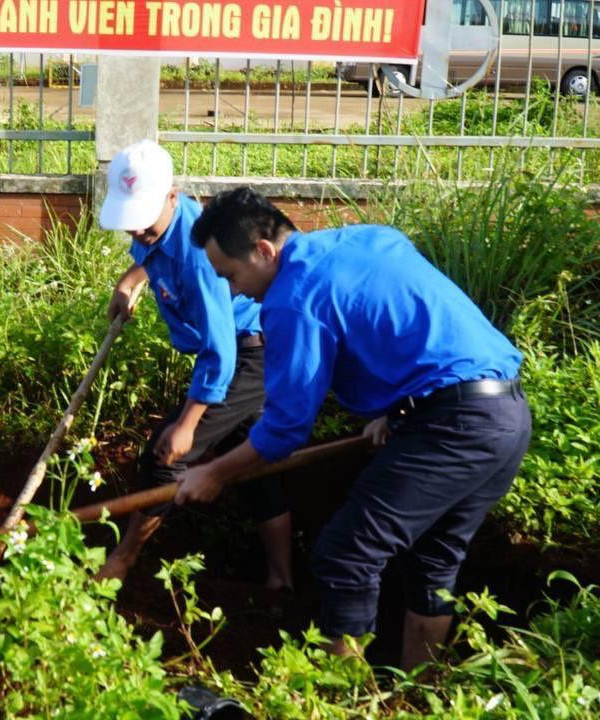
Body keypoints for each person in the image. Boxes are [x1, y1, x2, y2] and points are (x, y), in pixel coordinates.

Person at [176, 188, 531, 669]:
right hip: (505, 413)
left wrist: (214, 472)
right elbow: (403, 315)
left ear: (263, 251)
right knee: (433, 561)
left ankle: (340, 694)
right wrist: (399, 408)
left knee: (346, 553)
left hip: (454, 425)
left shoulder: (293, 297)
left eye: (231, 276)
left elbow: (284, 431)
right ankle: (416, 690)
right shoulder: (366, 238)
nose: (233, 291)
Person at [94, 141, 293, 593]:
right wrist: (128, 281)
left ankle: (121, 561)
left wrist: (187, 424)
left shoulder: (200, 256)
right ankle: (282, 581)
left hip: (248, 355)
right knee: (255, 460)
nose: (137, 230)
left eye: (144, 220)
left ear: (172, 196)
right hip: (245, 351)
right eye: (130, 221)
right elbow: (152, 255)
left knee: (166, 454)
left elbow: (219, 351)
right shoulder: (163, 226)